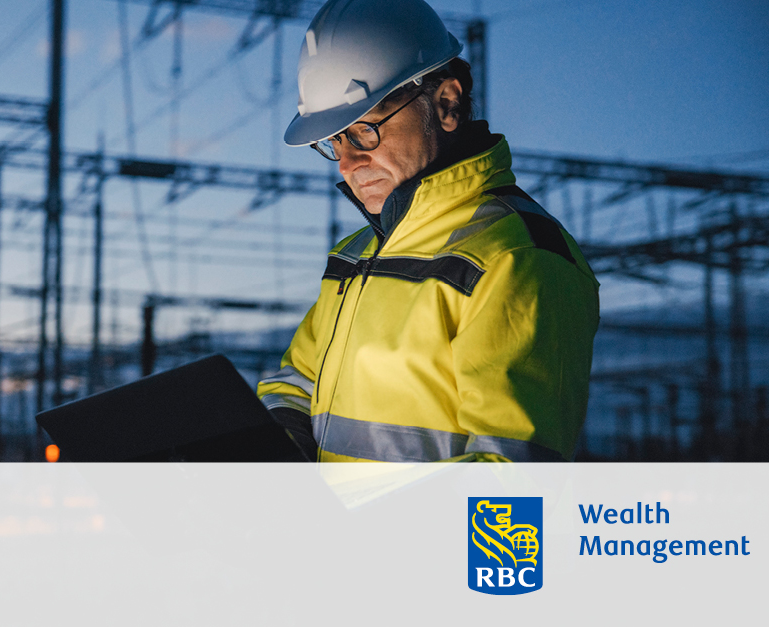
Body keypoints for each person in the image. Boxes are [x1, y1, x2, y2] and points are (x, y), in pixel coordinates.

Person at [256, 0, 599, 462]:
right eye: (334, 140)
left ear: (446, 103)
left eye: (363, 132)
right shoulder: (354, 255)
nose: (346, 161)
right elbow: (297, 381)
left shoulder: (516, 258)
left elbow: (511, 481)